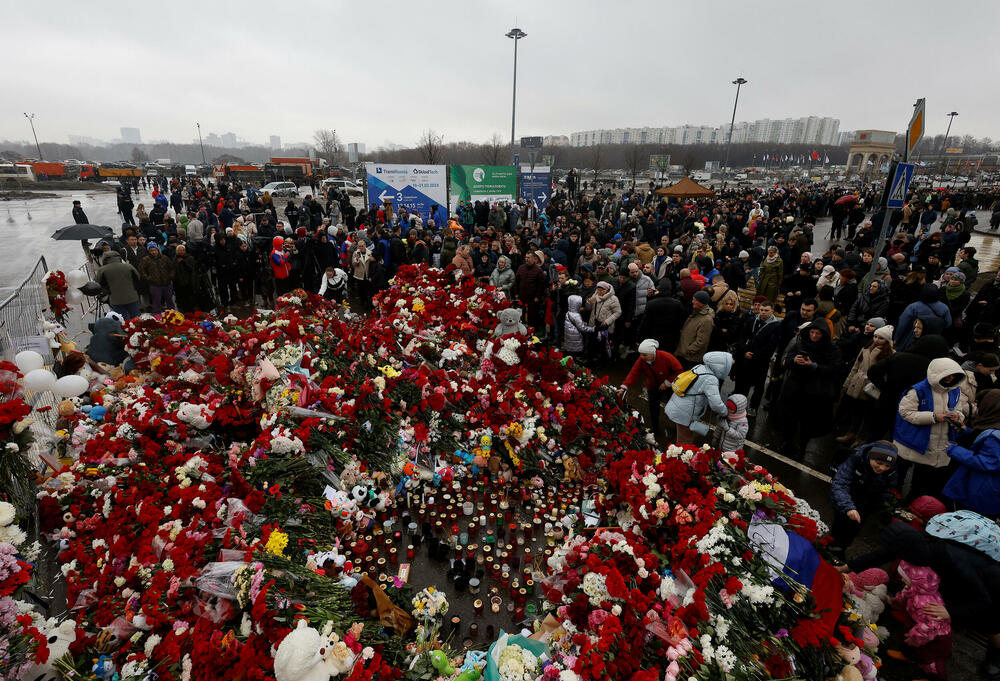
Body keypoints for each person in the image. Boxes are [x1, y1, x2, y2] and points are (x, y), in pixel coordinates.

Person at [893, 357, 970, 501]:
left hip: (940, 443)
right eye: (946, 375)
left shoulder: (955, 391)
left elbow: (959, 410)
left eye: (953, 375)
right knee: (904, 478)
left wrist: (957, 416)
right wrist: (934, 417)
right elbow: (905, 413)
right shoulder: (917, 390)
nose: (950, 378)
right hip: (916, 442)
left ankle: (915, 507)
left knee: (922, 484)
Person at [777, 321, 841, 458]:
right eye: (812, 332)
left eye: (818, 333)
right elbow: (786, 360)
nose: (814, 335)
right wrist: (794, 360)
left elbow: (834, 368)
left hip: (814, 392)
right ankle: (786, 442)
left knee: (807, 423)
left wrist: (814, 366)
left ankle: (801, 448)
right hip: (794, 387)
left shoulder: (831, 349)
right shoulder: (801, 343)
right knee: (789, 418)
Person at [829, 440, 899, 554]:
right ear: (871, 455)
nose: (882, 468)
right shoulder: (855, 460)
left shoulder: (892, 470)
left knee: (853, 531)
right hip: (845, 500)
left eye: (887, 465)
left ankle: (841, 550)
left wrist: (883, 504)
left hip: (866, 505)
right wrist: (848, 507)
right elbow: (840, 483)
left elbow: (889, 488)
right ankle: (830, 549)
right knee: (839, 528)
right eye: (879, 463)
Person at [943, 389, 1000, 516]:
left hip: (982, 492)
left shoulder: (995, 437)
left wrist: (955, 450)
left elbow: (990, 462)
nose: (976, 408)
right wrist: (966, 430)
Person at [836, 324, 894, 445]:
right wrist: (847, 383)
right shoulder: (866, 348)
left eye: (881, 338)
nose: (876, 340)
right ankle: (851, 434)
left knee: (868, 415)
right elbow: (855, 367)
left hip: (872, 387)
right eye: (875, 336)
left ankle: (860, 439)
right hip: (857, 384)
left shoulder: (890, 354)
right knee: (856, 412)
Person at [617, 339, 683, 440]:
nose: (642, 357)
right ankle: (655, 428)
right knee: (653, 407)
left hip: (671, 386)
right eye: (641, 354)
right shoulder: (642, 360)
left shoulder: (666, 357)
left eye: (645, 355)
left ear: (652, 353)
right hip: (653, 385)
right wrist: (623, 387)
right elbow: (633, 373)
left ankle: (677, 427)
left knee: (675, 406)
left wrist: (667, 383)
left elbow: (678, 370)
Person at [664, 351, 732, 445]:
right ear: (721, 366)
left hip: (679, 408)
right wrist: (725, 412)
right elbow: (716, 404)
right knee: (685, 442)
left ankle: (679, 456)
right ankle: (680, 458)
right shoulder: (711, 379)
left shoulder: (700, 367)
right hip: (685, 413)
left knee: (683, 437)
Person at [733, 298, 780, 412]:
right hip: (746, 357)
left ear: (772, 311)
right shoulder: (752, 320)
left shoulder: (776, 326)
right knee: (743, 383)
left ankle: (753, 407)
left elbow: (771, 346)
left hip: (761, 361)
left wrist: (754, 355)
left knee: (758, 386)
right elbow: (742, 336)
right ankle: (738, 405)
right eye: (762, 310)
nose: (763, 312)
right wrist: (744, 351)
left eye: (766, 310)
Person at [895, 284, 952, 351]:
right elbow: (948, 323)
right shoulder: (944, 308)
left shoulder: (914, 306)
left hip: (913, 336)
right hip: (933, 338)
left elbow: (903, 323)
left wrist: (897, 338)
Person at [95, 251, 141, 320]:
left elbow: (97, 283)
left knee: (121, 319)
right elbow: (138, 278)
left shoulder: (102, 270)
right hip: (132, 297)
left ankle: (124, 329)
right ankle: (138, 330)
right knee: (136, 318)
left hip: (115, 299)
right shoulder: (129, 266)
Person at [676, 290, 715, 368]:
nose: (692, 301)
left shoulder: (706, 320)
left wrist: (688, 350)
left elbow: (701, 341)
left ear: (701, 303)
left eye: (695, 300)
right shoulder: (696, 312)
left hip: (691, 358)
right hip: (685, 354)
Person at [138, 242, 175, 314]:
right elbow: (142, 271)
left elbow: (172, 268)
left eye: (155, 250)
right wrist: (149, 278)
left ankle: (173, 314)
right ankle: (157, 315)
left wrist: (170, 276)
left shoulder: (164, 258)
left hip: (167, 283)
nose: (154, 252)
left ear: (158, 250)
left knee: (169, 300)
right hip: (154, 285)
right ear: (149, 251)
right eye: (151, 250)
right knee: (156, 301)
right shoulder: (145, 260)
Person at [563, 294, 594, 360]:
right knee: (575, 354)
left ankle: (570, 360)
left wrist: (582, 323)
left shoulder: (568, 312)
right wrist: (592, 329)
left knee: (570, 352)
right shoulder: (576, 315)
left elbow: (574, 323)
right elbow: (582, 328)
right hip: (575, 338)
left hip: (569, 336)